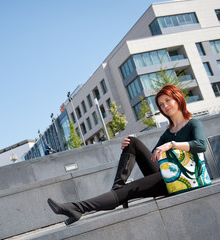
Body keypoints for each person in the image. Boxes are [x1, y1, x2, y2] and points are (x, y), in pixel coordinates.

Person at [47, 85, 207, 225]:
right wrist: (130, 148)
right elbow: (153, 156)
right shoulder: (168, 132)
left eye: (167, 100)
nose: (164, 106)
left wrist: (172, 145)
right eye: (161, 104)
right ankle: (118, 189)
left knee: (126, 190)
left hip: (184, 179)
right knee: (131, 141)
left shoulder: (193, 123)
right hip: (167, 175)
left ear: (177, 98)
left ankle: (77, 208)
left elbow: (201, 145)